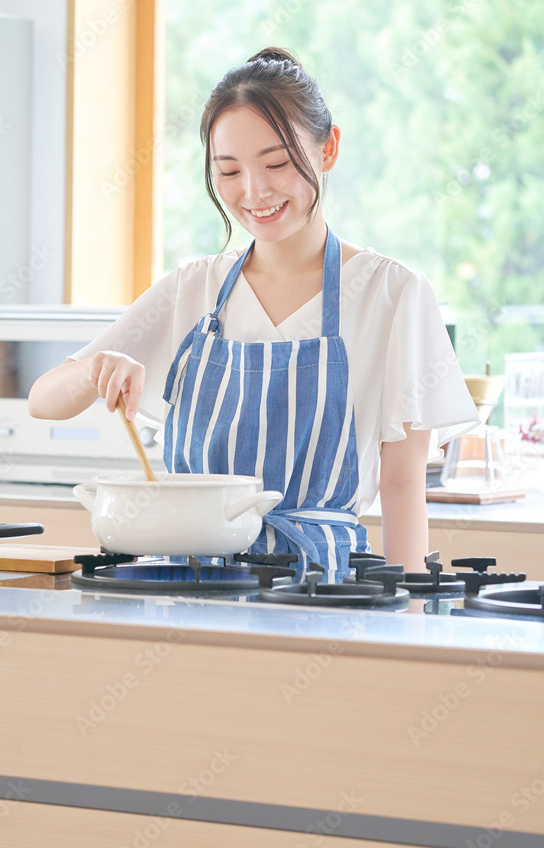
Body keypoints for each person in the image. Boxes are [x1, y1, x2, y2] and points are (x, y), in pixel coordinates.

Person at [28, 47, 480, 579]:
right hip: (186, 583)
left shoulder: (392, 292)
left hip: (321, 589)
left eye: (277, 163)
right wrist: (94, 368)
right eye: (229, 171)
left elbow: (403, 485)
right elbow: (44, 401)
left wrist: (410, 617)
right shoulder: (193, 289)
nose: (254, 192)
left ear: (328, 147)